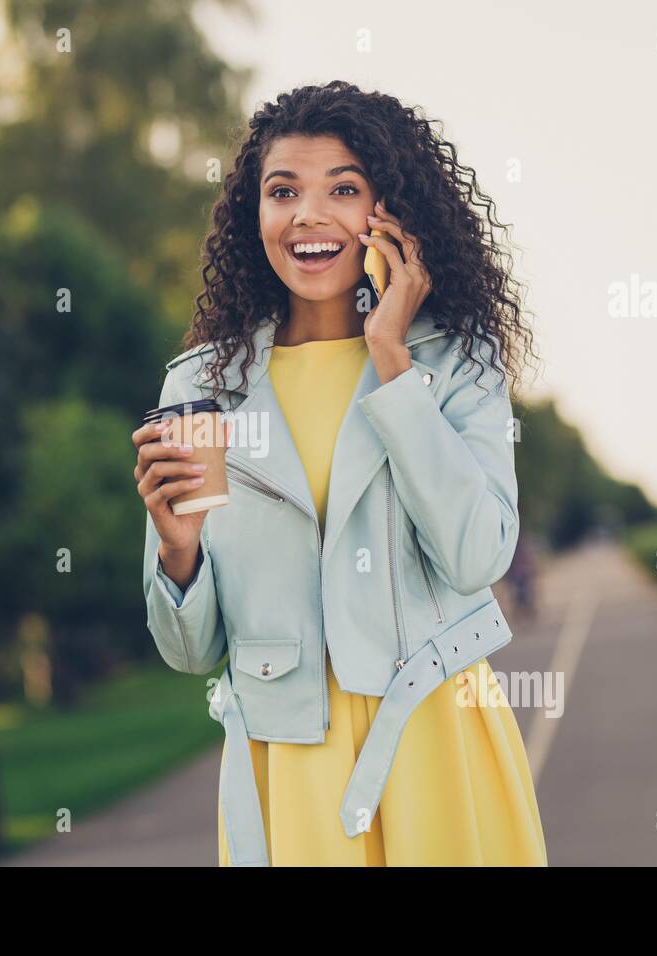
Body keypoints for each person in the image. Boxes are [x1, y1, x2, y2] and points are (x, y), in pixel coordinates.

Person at [133, 82, 545, 866]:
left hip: (437, 736)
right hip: (288, 757)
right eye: (282, 191)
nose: (308, 216)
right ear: (254, 216)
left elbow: (476, 556)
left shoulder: (456, 360)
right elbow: (190, 652)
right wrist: (177, 550)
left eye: (343, 189)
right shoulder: (200, 389)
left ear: (389, 215)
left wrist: (392, 361)